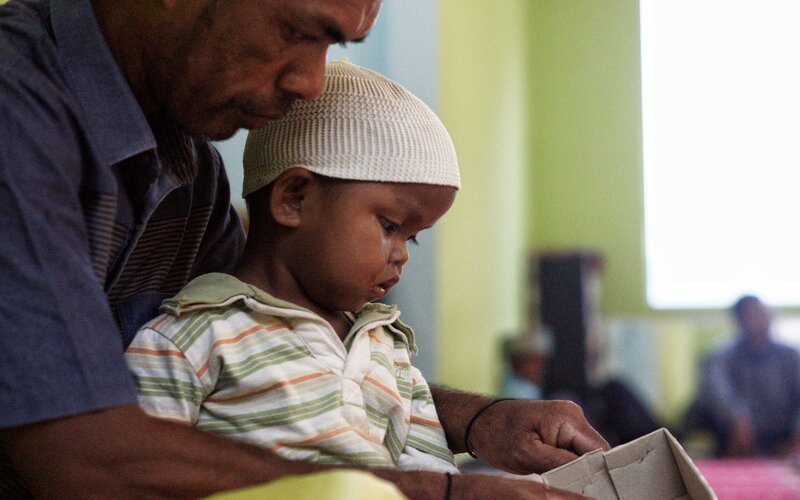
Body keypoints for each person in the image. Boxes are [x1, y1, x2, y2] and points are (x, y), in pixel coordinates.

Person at [0, 0, 607, 497]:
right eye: (298, 30)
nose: (311, 83)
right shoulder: (16, 109)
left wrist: (480, 421)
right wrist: (429, 493)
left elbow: (274, 345)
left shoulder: (192, 174)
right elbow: (79, 457)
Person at [683, 295, 800, 457]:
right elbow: (715, 391)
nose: (760, 320)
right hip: (735, 441)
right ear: (738, 321)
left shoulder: (791, 356)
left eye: (763, 313)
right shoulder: (721, 356)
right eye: (752, 315)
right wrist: (736, 418)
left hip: (785, 441)